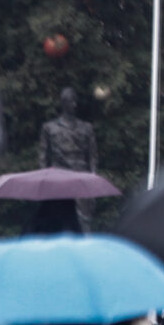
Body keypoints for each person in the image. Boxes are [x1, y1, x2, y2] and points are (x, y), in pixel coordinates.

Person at [38, 87, 97, 229]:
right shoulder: (49, 128)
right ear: (64, 103)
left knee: (84, 219)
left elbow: (93, 156)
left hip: (81, 177)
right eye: (71, 101)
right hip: (59, 177)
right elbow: (43, 156)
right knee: (58, 218)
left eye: (75, 101)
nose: (75, 105)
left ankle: (85, 248)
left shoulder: (86, 128)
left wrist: (93, 180)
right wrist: (45, 180)